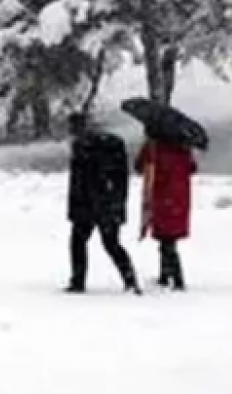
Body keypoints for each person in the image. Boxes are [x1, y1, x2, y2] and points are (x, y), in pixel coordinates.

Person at [65, 112, 141, 295]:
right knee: (94, 243)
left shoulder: (102, 147)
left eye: (75, 129)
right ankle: (127, 280)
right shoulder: (89, 146)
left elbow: (88, 179)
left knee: (105, 244)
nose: (73, 133)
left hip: (100, 204)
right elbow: (79, 181)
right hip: (94, 205)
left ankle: (81, 281)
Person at [135, 135, 197, 291]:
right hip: (180, 197)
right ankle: (165, 275)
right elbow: (192, 168)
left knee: (166, 240)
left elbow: (139, 167)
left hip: (162, 196)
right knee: (168, 239)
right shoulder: (183, 146)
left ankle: (177, 279)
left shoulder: (153, 147)